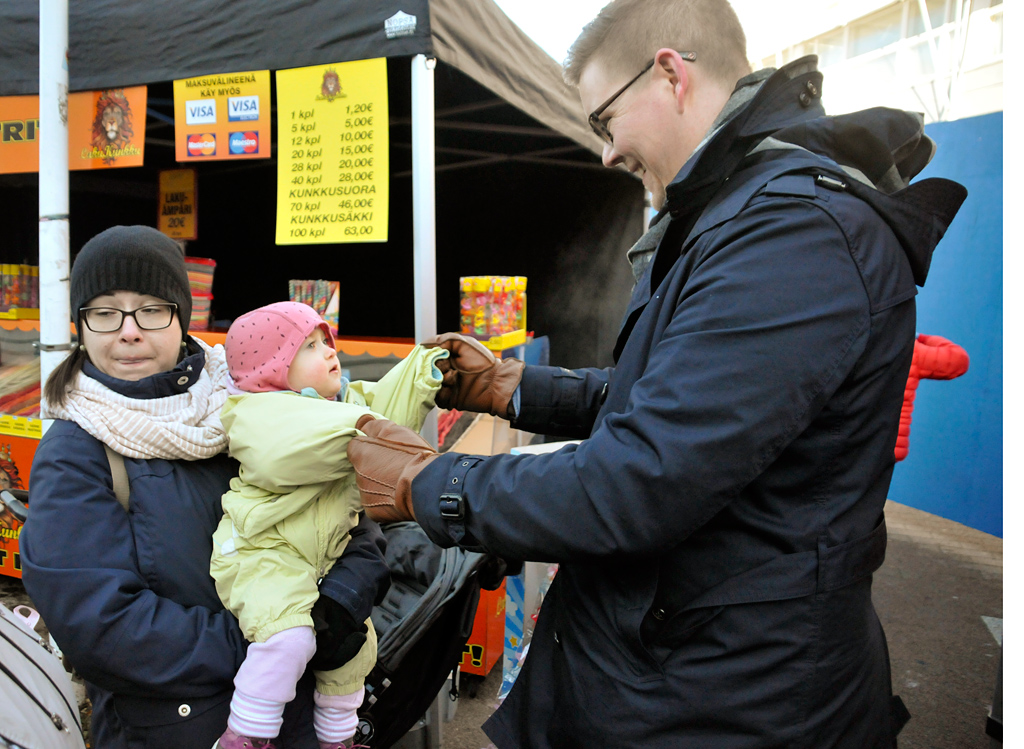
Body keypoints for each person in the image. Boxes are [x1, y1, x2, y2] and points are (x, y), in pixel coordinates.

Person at [344, 1, 968, 747]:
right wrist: (517, 388)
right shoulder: (739, 214)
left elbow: (641, 479)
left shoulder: (793, 232)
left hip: (726, 700)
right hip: (681, 660)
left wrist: (425, 483)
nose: (605, 154)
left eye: (605, 121)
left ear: (669, 73)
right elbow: (669, 404)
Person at [20, 225, 391, 749]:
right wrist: (278, 641)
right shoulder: (75, 451)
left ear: (181, 317)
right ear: (81, 325)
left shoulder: (251, 405)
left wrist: (343, 602)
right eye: (104, 312)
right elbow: (99, 623)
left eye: (150, 309)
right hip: (176, 729)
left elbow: (345, 516)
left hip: (300, 719)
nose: (129, 331)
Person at [211, 301, 448, 749]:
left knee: (354, 649)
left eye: (326, 342)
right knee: (289, 638)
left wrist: (428, 365)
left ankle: (338, 740)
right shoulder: (258, 414)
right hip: (265, 552)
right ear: (273, 368)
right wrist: (364, 427)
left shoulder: (339, 406)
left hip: (322, 557)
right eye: (309, 346)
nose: (329, 353)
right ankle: (245, 734)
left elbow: (382, 407)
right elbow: (290, 447)